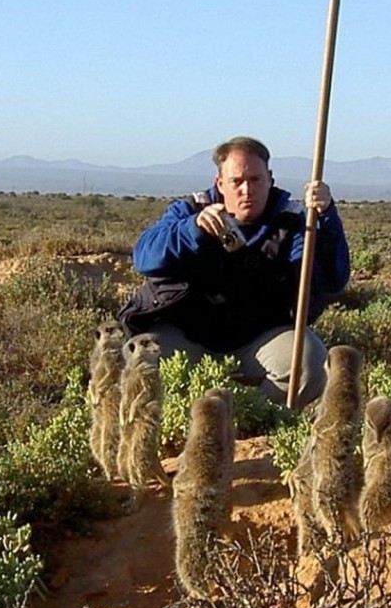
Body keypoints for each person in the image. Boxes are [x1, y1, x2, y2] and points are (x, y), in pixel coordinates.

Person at [118, 136, 350, 409]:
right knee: (138, 359)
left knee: (311, 365)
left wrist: (325, 218)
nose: (246, 190)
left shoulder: (293, 222)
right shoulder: (190, 211)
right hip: (186, 336)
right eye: (237, 181)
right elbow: (144, 257)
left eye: (255, 180)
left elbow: (333, 278)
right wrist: (191, 230)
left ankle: (252, 417)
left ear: (269, 179)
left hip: (258, 340)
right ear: (220, 183)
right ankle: (180, 421)